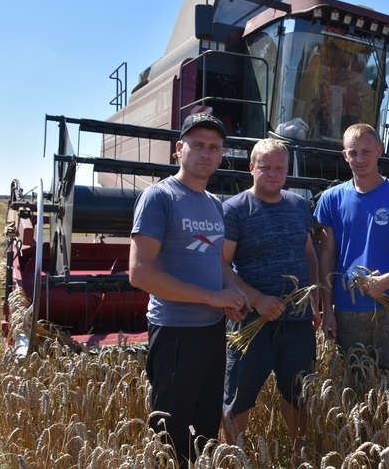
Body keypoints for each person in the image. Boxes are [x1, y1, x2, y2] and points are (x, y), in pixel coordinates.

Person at [129, 112, 250, 468]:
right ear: (178, 149)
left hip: (212, 332)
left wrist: (233, 296)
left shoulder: (214, 204)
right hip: (175, 334)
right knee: (171, 435)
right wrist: (212, 297)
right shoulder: (159, 197)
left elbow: (215, 266)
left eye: (214, 147)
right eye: (198, 145)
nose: (206, 153)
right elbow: (139, 273)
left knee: (204, 435)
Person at [221, 138, 320, 454]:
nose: (273, 173)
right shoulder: (234, 210)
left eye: (280, 167)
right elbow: (220, 264)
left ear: (287, 170)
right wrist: (257, 299)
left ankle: (298, 455)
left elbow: (310, 255)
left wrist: (314, 299)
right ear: (252, 168)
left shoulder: (297, 205)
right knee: (239, 396)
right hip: (251, 322)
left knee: (297, 393)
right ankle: (233, 458)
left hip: (297, 323)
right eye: (266, 167)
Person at [315, 123, 389, 380]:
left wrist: (385, 282)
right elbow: (327, 256)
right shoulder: (331, 199)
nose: (360, 158)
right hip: (348, 311)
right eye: (353, 152)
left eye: (366, 151)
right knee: (353, 387)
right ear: (344, 155)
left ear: (379, 151)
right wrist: (328, 310)